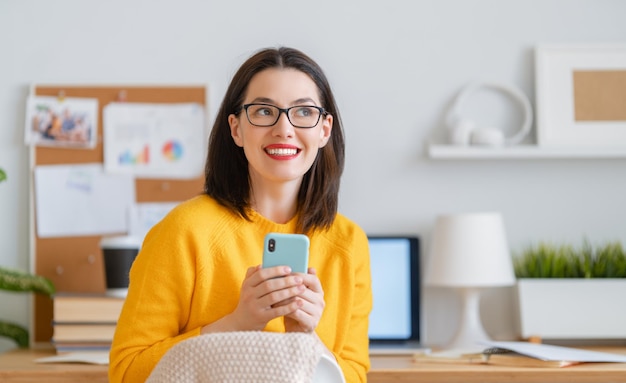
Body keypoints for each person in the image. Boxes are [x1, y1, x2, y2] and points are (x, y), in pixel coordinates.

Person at [109, 46, 372, 382]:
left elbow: (354, 376)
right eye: (264, 111)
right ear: (236, 129)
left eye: (303, 112)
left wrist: (306, 338)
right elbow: (127, 372)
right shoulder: (183, 231)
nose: (284, 128)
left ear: (324, 129)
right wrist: (238, 323)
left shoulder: (350, 244)